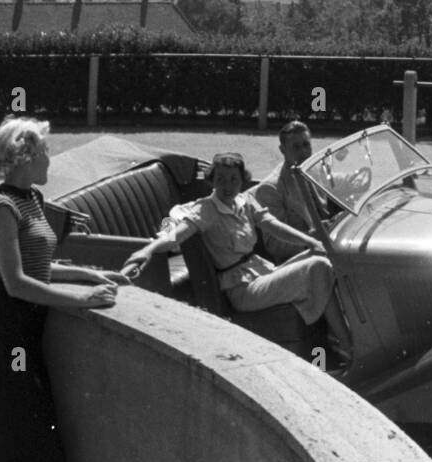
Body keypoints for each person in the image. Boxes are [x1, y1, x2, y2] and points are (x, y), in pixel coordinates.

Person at [0, 116, 128, 462]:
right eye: (46, 153)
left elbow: (38, 265)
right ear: (24, 157)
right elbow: (16, 283)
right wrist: (82, 301)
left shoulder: (33, 198)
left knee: (31, 439)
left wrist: (90, 275)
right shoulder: (2, 207)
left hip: (25, 338)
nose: (51, 160)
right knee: (1, 444)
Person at [121, 152, 350, 356]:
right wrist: (147, 250)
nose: (227, 186)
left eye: (233, 180)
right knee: (318, 267)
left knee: (324, 258)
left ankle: (336, 339)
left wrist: (311, 241)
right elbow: (176, 235)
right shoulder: (207, 209)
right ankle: (346, 344)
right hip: (243, 290)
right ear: (212, 180)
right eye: (220, 179)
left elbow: (272, 226)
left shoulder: (244, 200)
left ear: (242, 181)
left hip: (263, 271)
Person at [252, 120, 328, 263]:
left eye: (306, 145)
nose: (303, 152)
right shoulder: (271, 188)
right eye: (296, 147)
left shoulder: (312, 170)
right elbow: (275, 245)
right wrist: (311, 239)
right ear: (283, 149)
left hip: (328, 243)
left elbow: (337, 181)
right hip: (299, 259)